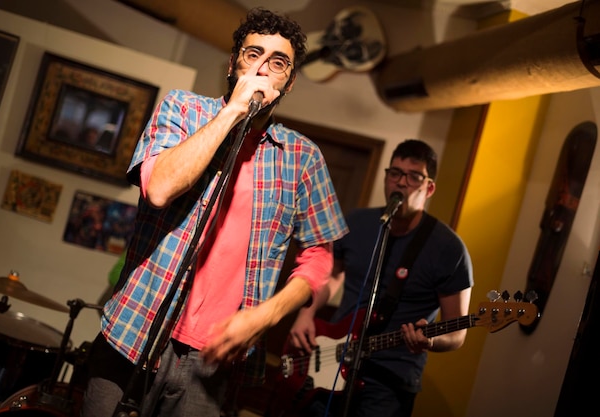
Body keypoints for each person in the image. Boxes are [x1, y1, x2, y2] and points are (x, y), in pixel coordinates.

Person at [79, 7, 347, 417]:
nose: (262, 69)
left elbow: (319, 256)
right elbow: (160, 188)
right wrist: (232, 113)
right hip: (136, 331)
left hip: (217, 360)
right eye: (252, 54)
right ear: (233, 63)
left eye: (278, 63)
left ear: (288, 83)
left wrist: (265, 316)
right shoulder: (182, 110)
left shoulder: (303, 157)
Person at [287, 139, 473, 417]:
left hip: (390, 380)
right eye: (395, 173)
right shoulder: (358, 222)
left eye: (413, 176)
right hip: (333, 359)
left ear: (429, 187)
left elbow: (457, 332)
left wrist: (431, 341)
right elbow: (331, 275)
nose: (401, 182)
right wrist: (306, 313)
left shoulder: (449, 249)